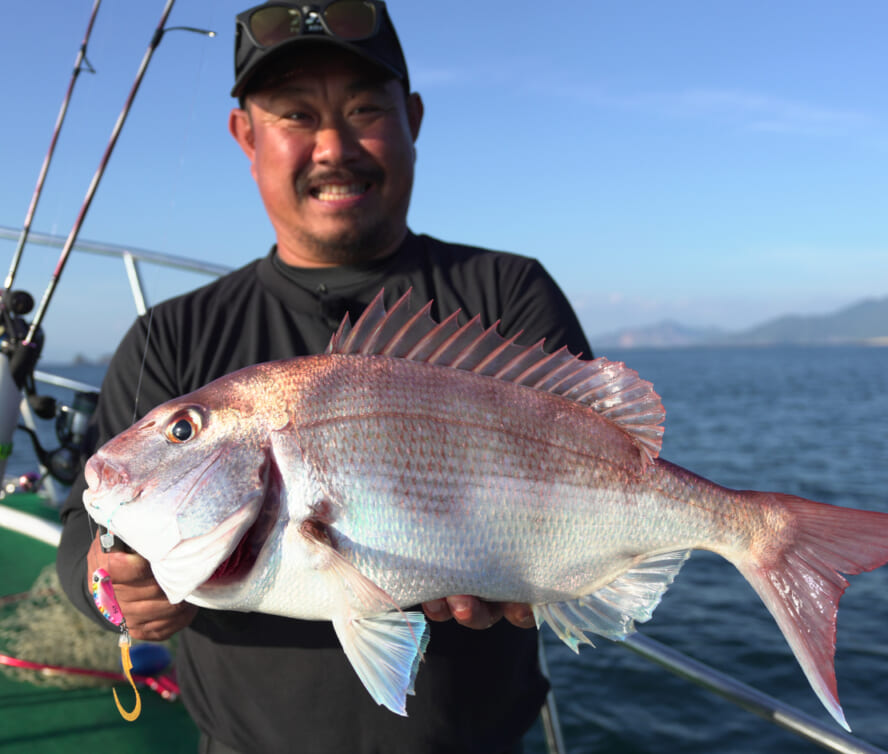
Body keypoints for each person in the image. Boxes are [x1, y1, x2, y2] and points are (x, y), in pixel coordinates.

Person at [56, 2, 591, 753]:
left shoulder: (506, 294)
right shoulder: (172, 335)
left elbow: (606, 472)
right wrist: (113, 590)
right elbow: (89, 529)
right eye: (296, 115)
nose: (334, 146)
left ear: (413, 118)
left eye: (366, 109)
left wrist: (574, 583)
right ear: (246, 135)